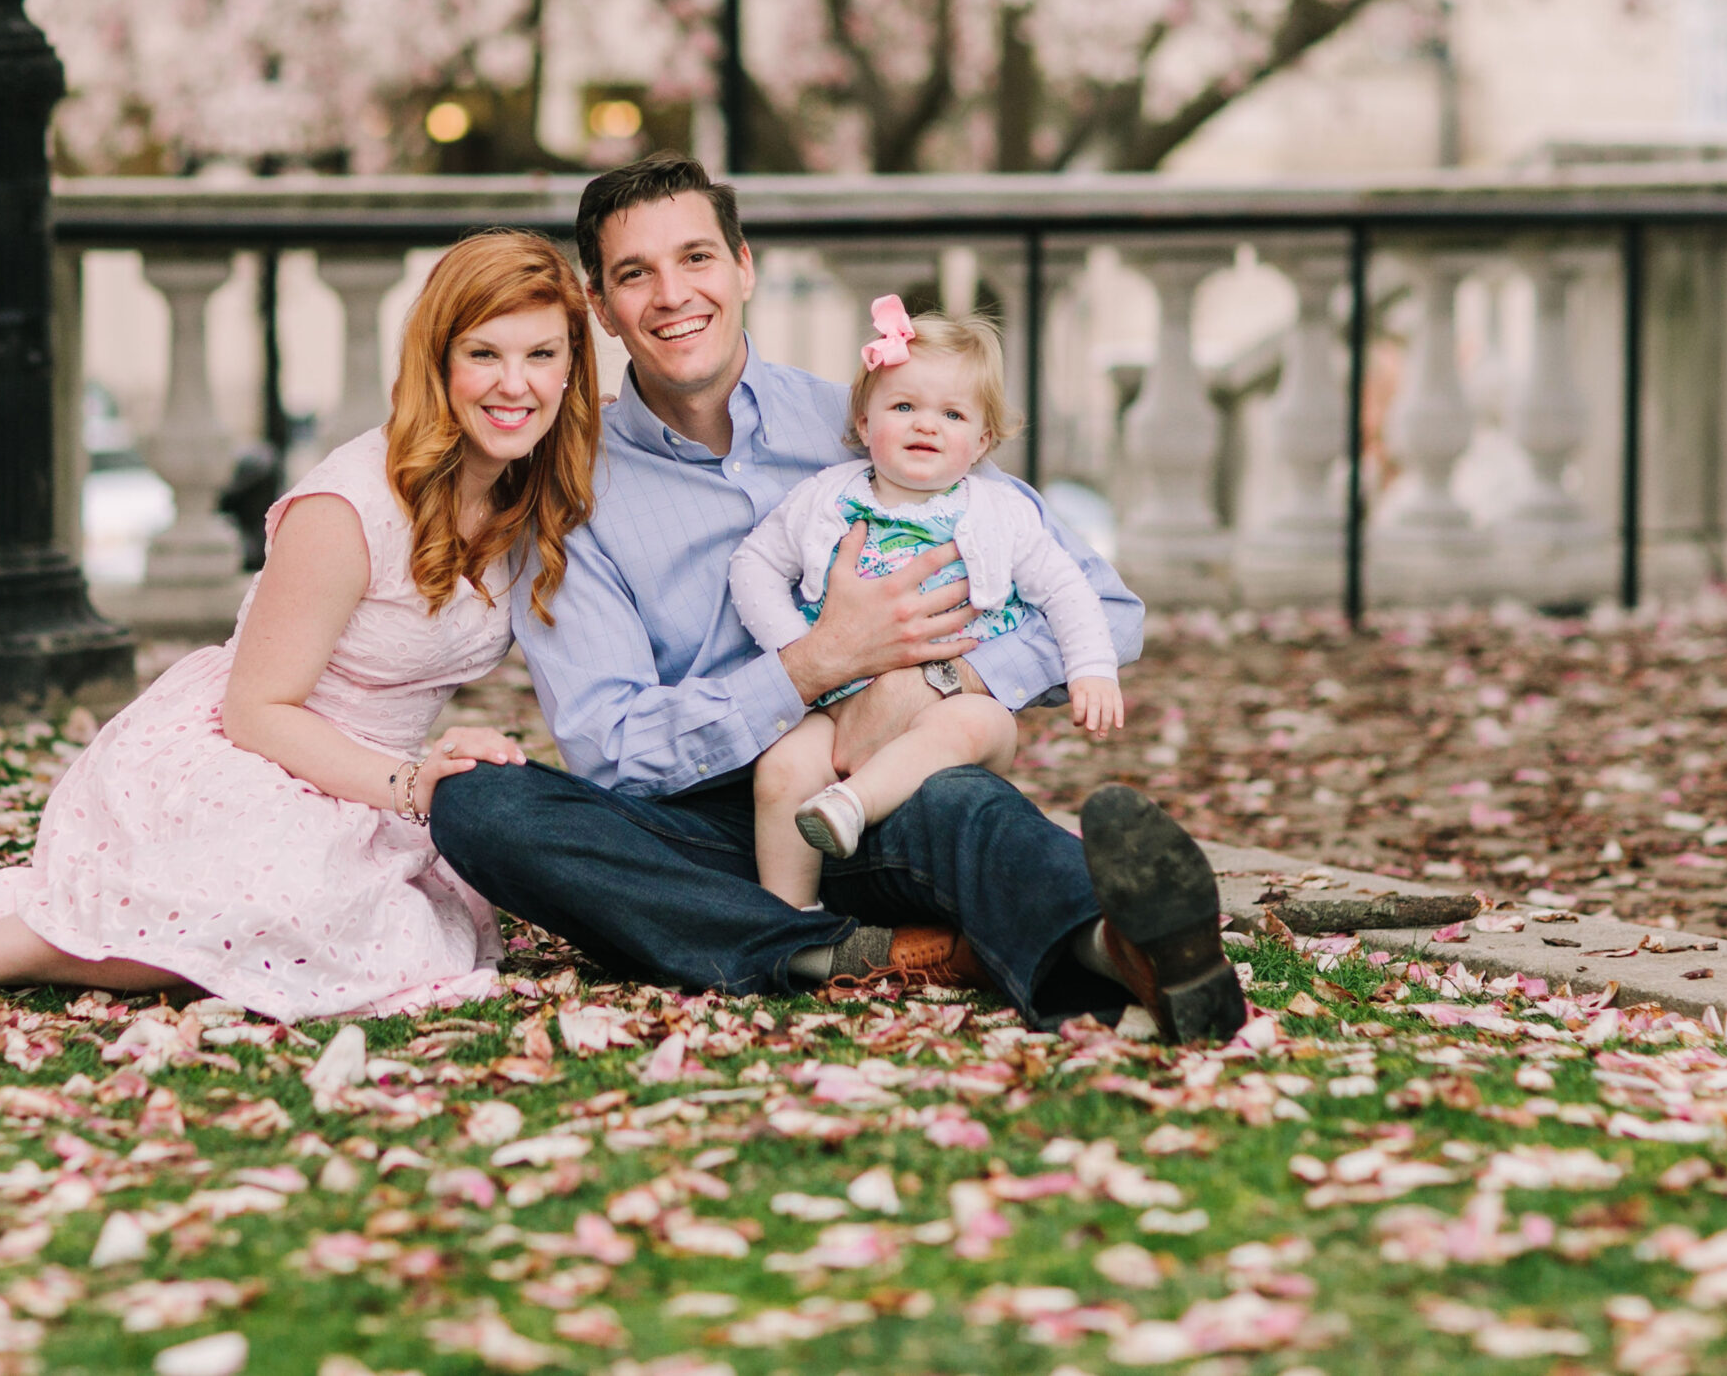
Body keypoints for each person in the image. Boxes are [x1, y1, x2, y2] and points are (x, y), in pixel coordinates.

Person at [430, 154, 1245, 1043]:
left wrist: (939, 682)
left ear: (745, 267)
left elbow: (1102, 606)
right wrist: (813, 665)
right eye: (635, 273)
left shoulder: (880, 418)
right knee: (483, 807)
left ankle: (1129, 946)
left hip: (864, 793)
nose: (672, 294)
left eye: (697, 258)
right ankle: (840, 949)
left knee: (963, 807)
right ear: (601, 303)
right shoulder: (569, 493)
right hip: (684, 838)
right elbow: (612, 751)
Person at [0, 230, 600, 1020]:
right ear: (439, 360)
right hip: (252, 751)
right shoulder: (350, 506)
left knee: (373, 927)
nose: (514, 383)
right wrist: (409, 785)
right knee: (292, 907)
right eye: (484, 353)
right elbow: (257, 709)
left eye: (541, 355)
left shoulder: (529, 495)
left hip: (377, 784)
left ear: (572, 367)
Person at [730, 297, 1123, 910]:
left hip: (950, 703)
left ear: (983, 439)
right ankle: (788, 918)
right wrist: (795, 648)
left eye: (952, 413)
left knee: (974, 723)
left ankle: (852, 802)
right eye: (904, 406)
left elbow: (1068, 589)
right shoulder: (824, 500)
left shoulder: (1000, 514)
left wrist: (1092, 668)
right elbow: (753, 564)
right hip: (834, 706)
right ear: (864, 423)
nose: (925, 424)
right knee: (781, 769)